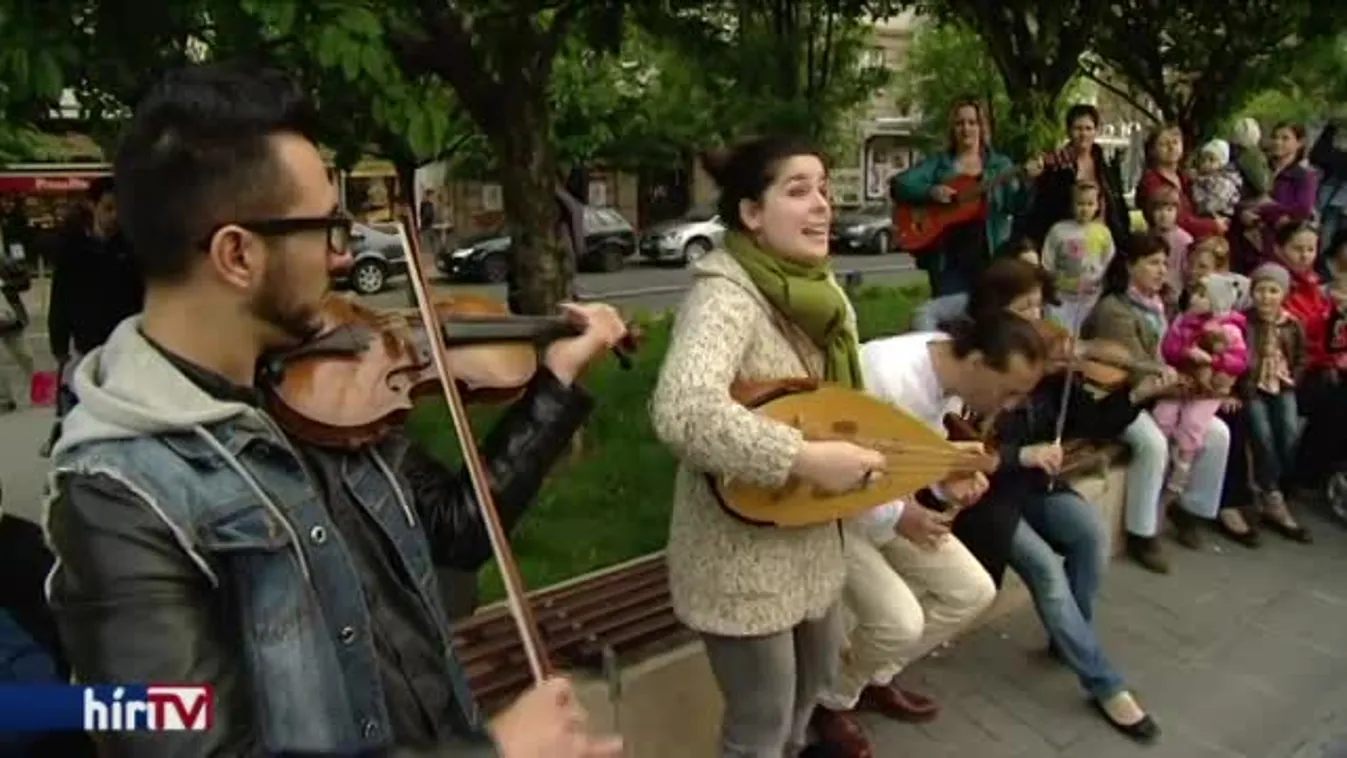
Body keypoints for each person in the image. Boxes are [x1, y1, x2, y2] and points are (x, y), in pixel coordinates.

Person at [44, 62, 627, 758]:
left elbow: (456, 530)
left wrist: (554, 382)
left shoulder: (315, 392)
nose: (341, 255)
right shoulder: (111, 503)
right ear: (237, 255)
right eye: (326, 228)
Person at [649, 136, 885, 758]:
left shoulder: (822, 294)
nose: (822, 206)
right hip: (739, 559)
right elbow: (682, 411)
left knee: (807, 704)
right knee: (761, 724)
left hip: (812, 541)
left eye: (825, 191)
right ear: (752, 214)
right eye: (798, 191)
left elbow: (839, 405)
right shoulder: (725, 295)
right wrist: (803, 459)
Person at [949, 260, 1171, 743]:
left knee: (1089, 534)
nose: (1038, 317)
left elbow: (1094, 422)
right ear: (994, 312)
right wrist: (1022, 452)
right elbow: (964, 448)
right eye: (1023, 307)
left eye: (1039, 304)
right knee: (1047, 570)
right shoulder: (978, 364)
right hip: (990, 496)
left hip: (1034, 483)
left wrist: (1136, 390)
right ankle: (1104, 683)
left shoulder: (1048, 364)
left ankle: (1069, 640)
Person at [810, 311, 1047, 756]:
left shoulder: (952, 380)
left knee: (972, 591)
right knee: (900, 622)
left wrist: (947, 481)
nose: (1010, 405)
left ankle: (872, 676)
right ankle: (830, 701)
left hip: (883, 511)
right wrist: (902, 515)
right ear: (977, 362)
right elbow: (835, 463)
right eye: (1010, 391)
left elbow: (917, 456)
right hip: (829, 518)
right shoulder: (885, 374)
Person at [1082, 234, 1231, 573]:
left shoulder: (1166, 302)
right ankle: (1141, 532)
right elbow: (1134, 367)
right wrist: (1191, 384)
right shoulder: (1114, 309)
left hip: (1166, 393)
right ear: (1129, 265)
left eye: (1165, 262)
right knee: (1151, 444)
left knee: (1218, 433)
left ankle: (1189, 508)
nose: (1162, 270)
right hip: (1121, 397)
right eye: (1152, 262)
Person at [890, 98, 1042, 297]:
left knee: (987, 317)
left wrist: (1027, 183)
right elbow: (901, 184)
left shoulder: (1000, 166)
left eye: (972, 122)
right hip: (948, 262)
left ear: (981, 127)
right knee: (950, 319)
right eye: (960, 123)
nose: (966, 129)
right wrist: (931, 191)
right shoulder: (940, 164)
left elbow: (1015, 206)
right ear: (952, 129)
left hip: (990, 256)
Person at [1151, 275, 1249, 504]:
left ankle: (1182, 467)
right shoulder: (1184, 321)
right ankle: (1163, 457)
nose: (1195, 298)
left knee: (1193, 421)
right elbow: (1169, 348)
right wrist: (1186, 352)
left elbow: (1240, 361)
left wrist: (1214, 361)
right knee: (1163, 414)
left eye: (1204, 295)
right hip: (1183, 379)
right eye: (1195, 293)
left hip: (1208, 389)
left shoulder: (1230, 330)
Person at [1237, 262, 1309, 542]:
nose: (1265, 297)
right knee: (1262, 433)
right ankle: (1272, 495)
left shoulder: (1292, 325)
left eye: (1273, 290)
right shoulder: (1244, 322)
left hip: (1282, 386)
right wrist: (1244, 385)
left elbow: (1302, 357)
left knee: (1289, 432)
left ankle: (1270, 485)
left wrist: (1294, 377)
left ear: (1284, 294)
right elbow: (1238, 357)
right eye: (1260, 290)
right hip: (1254, 388)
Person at [1024, 103, 1131, 247]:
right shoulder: (1055, 165)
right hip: (1067, 241)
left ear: (1096, 131)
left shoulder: (1106, 166)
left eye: (1088, 128)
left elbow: (1117, 206)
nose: (1083, 134)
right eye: (1078, 128)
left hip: (1103, 239)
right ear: (1068, 132)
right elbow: (1043, 209)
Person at [910, 235, 1042, 331]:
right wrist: (934, 341)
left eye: (1036, 268)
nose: (1033, 274)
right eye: (1025, 267)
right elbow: (924, 312)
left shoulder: (1047, 300)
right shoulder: (976, 300)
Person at [1041, 181, 1115, 329]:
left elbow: (1108, 259)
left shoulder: (1103, 233)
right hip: (1062, 298)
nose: (1085, 209)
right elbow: (1047, 262)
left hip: (1091, 299)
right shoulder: (1058, 231)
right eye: (1080, 204)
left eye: (1090, 204)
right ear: (1072, 205)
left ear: (1097, 206)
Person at [1190, 139, 1242, 221]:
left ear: (1222, 163)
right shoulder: (1202, 177)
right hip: (1204, 213)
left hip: (1218, 215)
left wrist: (1199, 208)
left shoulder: (1224, 182)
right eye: (1203, 160)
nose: (1206, 163)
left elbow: (1217, 201)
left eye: (1211, 160)